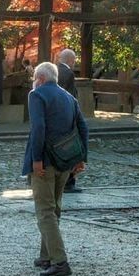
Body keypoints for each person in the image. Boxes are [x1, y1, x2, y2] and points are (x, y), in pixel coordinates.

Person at [23, 61, 88, 276]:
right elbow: (82, 127)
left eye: (34, 78)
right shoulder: (69, 97)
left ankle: (59, 261)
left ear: (40, 79)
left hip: (46, 161)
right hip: (65, 160)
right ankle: (46, 255)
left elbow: (38, 127)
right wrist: (81, 158)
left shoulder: (37, 95)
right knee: (54, 208)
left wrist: (36, 159)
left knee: (44, 210)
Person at [55, 49, 81, 192]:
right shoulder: (69, 74)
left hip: (57, 116)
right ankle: (69, 182)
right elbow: (70, 96)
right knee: (71, 149)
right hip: (67, 116)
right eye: (74, 60)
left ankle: (61, 180)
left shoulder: (55, 71)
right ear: (70, 60)